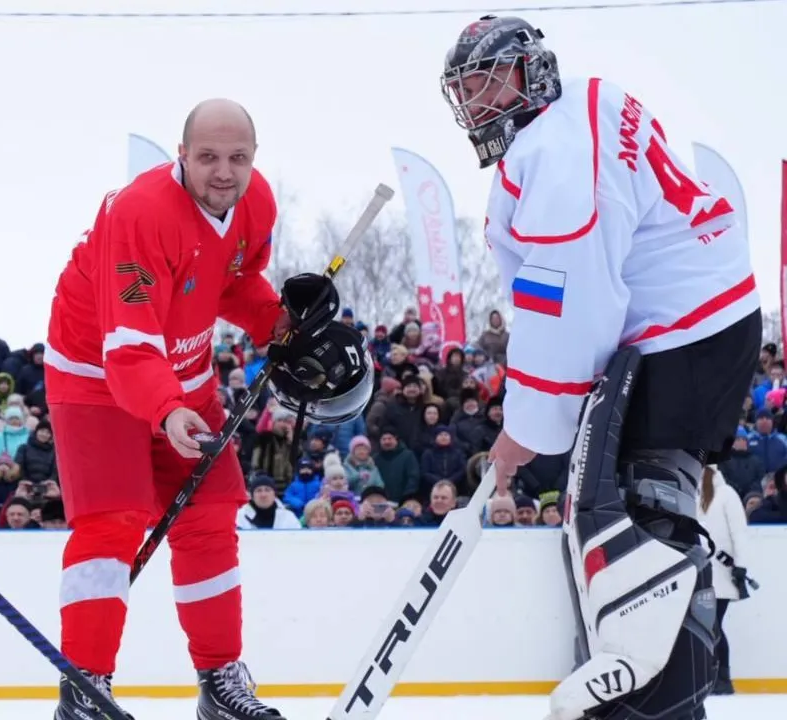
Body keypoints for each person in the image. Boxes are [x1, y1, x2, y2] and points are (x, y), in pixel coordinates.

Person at [439, 15, 760, 720]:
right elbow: (561, 294)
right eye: (468, 90)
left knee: (639, 521)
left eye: (493, 80)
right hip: (696, 326)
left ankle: (659, 702)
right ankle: (651, 693)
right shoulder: (576, 113)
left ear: (534, 71)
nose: (481, 102)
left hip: (683, 336)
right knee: (632, 514)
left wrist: (527, 428)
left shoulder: (558, 155)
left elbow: (572, 297)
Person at [44, 98, 372, 720]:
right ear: (182, 155)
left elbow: (233, 285)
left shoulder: (257, 204)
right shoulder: (139, 215)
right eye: (209, 158)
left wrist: (281, 322)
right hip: (95, 373)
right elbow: (130, 348)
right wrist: (166, 411)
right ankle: (85, 690)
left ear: (254, 159)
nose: (224, 172)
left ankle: (220, 682)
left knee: (212, 515)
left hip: (184, 373)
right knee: (113, 522)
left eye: (238, 158)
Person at [696, 466, 756, 695]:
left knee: (713, 627)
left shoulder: (726, 494)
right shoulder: (694, 494)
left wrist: (741, 565)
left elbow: (739, 532)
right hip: (700, 573)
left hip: (720, 574)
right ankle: (713, 677)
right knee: (707, 628)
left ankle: (722, 679)